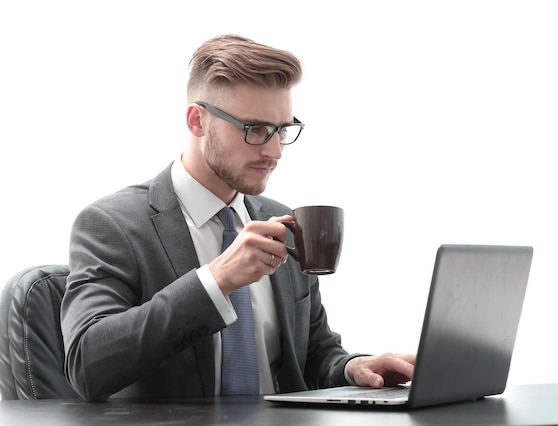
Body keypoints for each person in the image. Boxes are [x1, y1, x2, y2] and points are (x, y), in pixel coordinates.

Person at [60, 34, 415, 402]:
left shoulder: (283, 221)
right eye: (254, 129)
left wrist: (351, 367)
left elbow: (312, 354)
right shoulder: (111, 224)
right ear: (197, 121)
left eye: (282, 130)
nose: (274, 151)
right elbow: (88, 364)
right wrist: (216, 281)